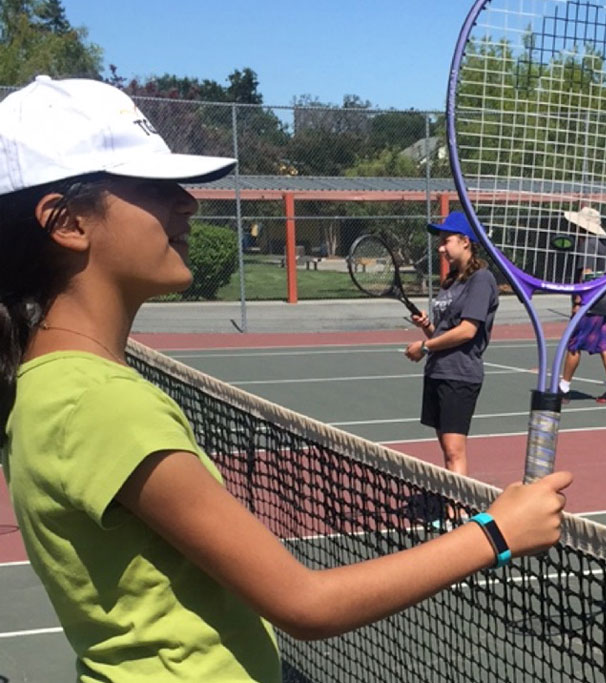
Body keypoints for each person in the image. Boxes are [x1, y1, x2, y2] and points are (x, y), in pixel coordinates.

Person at [0, 76, 571, 683]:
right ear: (66, 222)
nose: (188, 202)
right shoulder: (98, 403)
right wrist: (496, 531)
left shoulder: (46, 384)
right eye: (154, 187)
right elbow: (306, 602)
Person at [405, 211, 499, 477]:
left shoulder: (481, 279)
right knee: (446, 452)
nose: (441, 247)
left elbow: (468, 331)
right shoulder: (450, 282)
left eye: (447, 240)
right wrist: (427, 328)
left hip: (459, 375)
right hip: (437, 372)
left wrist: (424, 347)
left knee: (454, 451)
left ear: (465, 241)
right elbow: (444, 334)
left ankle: (456, 512)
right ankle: (451, 508)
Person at [558, 206, 606, 404]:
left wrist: (578, 301)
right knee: (604, 345)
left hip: (589, 304)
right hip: (603, 302)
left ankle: (563, 388)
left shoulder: (587, 246)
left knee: (574, 345)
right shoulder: (602, 245)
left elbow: (586, 273)